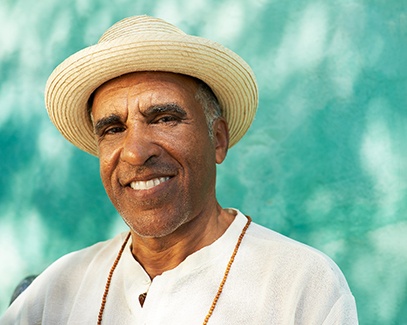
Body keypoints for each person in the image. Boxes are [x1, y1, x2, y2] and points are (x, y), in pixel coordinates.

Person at [0, 15, 358, 324]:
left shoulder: (301, 284)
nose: (136, 153)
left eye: (165, 119)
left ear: (217, 140)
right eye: (113, 129)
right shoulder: (57, 290)